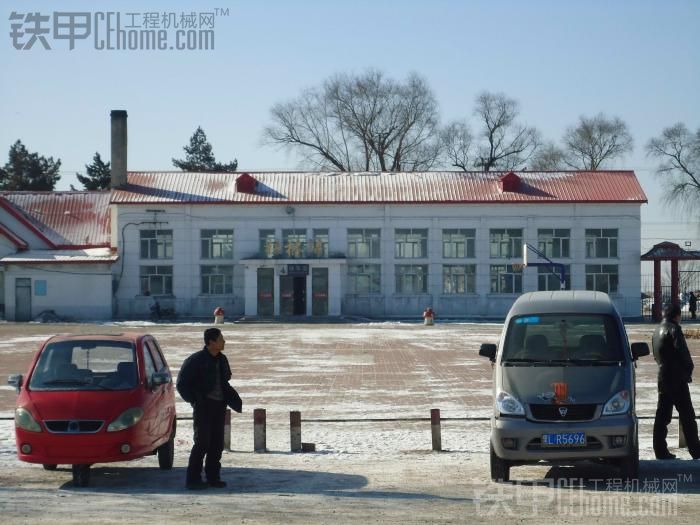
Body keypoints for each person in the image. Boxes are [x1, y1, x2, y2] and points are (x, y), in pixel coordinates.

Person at [177, 328, 243, 489]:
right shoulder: (196, 360)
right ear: (211, 342)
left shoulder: (222, 359)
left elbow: (225, 380)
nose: (224, 341)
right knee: (202, 443)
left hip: (219, 407)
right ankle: (193, 480)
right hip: (203, 407)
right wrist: (195, 401)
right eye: (221, 339)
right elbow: (182, 384)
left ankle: (213, 477)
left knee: (216, 444)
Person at [652, 303, 700, 460]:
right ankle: (695, 450)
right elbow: (682, 351)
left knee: (662, 416)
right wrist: (688, 369)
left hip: (663, 377)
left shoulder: (656, 331)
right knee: (687, 416)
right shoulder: (674, 328)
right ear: (677, 316)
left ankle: (660, 450)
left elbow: (656, 355)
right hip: (676, 378)